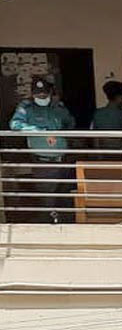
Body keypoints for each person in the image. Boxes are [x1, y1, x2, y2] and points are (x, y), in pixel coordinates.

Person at [9, 77, 76, 223]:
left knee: (65, 195)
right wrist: (40, 131)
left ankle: (64, 223)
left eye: (45, 94)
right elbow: (15, 124)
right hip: (44, 160)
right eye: (38, 95)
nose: (42, 97)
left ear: (50, 93)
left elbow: (70, 122)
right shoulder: (26, 108)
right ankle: (49, 223)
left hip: (63, 159)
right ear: (33, 94)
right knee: (48, 198)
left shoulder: (57, 107)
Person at [91, 80, 122, 155]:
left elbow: (95, 139)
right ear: (120, 97)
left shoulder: (98, 114)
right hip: (120, 156)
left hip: (102, 155)